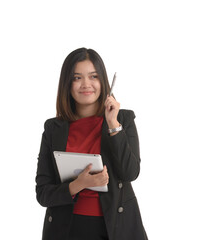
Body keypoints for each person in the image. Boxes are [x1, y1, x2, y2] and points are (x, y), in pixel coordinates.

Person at [35, 47, 148, 240]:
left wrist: (113, 124)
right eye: (77, 78)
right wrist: (78, 185)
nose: (86, 84)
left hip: (115, 229)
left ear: (103, 81)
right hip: (68, 230)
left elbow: (130, 172)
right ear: (67, 84)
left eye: (93, 76)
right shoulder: (54, 129)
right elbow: (43, 193)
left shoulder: (123, 119)